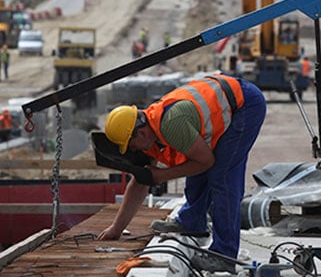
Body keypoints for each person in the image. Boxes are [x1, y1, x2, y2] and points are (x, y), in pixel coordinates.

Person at [98, 73, 267, 273]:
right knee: (193, 160)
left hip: (244, 104)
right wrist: (115, 229)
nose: (133, 150)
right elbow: (140, 181)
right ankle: (192, 222)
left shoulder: (171, 125)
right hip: (228, 99)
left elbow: (206, 162)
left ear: (141, 132)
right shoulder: (149, 132)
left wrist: (161, 176)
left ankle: (224, 254)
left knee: (222, 176)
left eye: (131, 145)